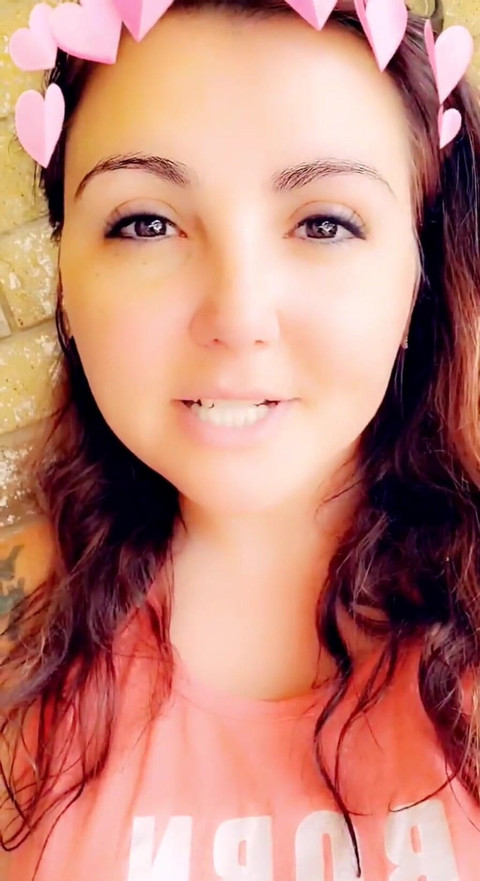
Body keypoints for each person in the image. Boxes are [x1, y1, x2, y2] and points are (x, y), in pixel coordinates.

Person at [1, 0, 480, 878]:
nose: (238, 316)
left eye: (324, 222)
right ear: (65, 283)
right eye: (146, 223)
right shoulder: (14, 631)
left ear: (419, 275)